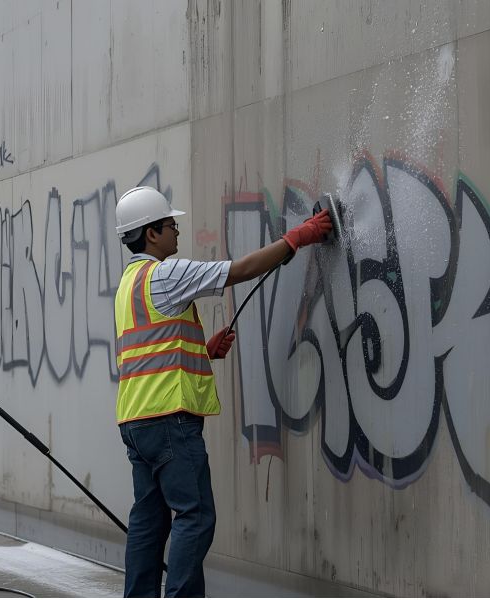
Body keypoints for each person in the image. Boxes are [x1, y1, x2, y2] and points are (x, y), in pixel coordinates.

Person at [114, 186, 331, 597]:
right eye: (170, 224)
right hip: (169, 420)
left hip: (136, 422)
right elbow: (240, 270)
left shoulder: (128, 284)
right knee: (195, 515)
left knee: (149, 520)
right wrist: (298, 237)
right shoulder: (164, 274)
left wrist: (203, 350)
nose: (177, 230)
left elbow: (146, 352)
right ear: (151, 233)